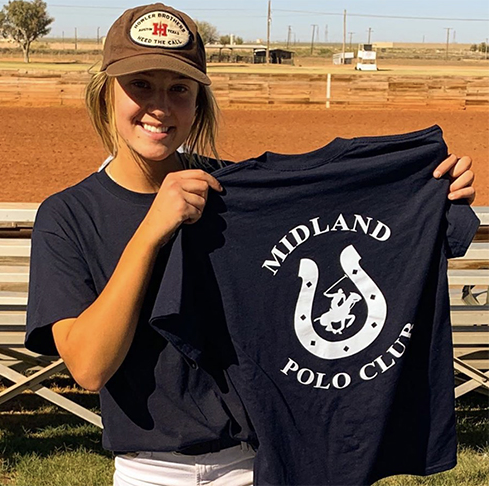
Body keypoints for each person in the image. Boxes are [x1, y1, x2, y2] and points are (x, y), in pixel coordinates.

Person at [25, 3, 476, 486]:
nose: (159, 105)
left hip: (257, 463)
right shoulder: (68, 214)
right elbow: (89, 367)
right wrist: (152, 229)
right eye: (140, 84)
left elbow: (364, 238)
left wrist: (431, 196)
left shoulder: (231, 195)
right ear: (105, 92)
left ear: (199, 101)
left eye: (179, 88)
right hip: (148, 471)